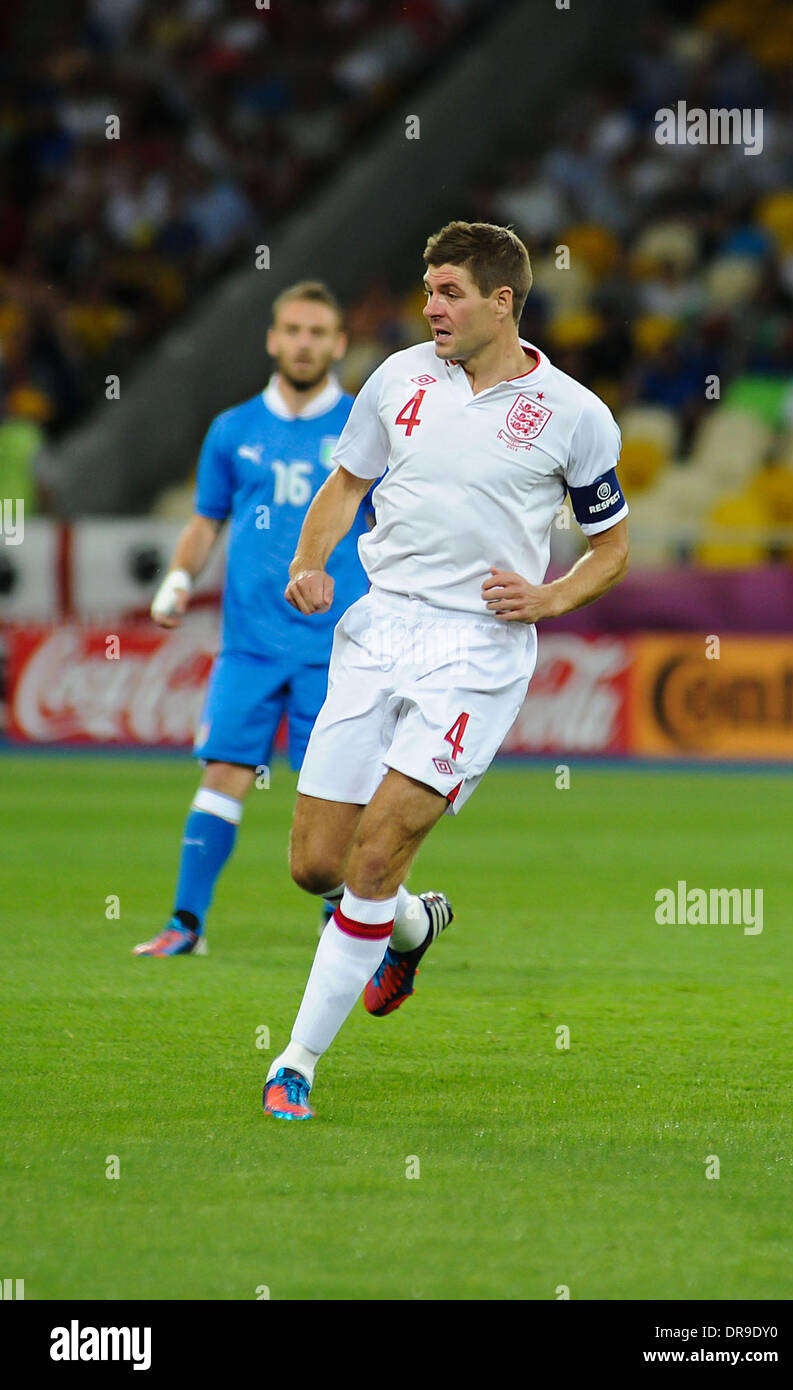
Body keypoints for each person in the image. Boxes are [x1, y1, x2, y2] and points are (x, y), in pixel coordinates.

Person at [261, 222, 629, 1120]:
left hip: (476, 651)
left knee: (377, 854)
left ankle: (295, 1064)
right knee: (317, 866)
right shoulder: (397, 379)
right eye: (428, 290)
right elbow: (347, 485)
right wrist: (311, 561)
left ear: (503, 302)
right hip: (380, 628)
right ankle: (414, 927)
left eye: (451, 292)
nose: (432, 307)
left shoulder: (575, 414)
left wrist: (548, 599)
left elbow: (612, 548)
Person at [134, 282, 375, 955]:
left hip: (338, 650)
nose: (304, 342)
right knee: (222, 775)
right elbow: (206, 520)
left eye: (318, 332)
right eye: (293, 330)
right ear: (273, 339)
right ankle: (186, 924)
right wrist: (180, 578)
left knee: (337, 795)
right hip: (249, 646)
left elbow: (395, 527)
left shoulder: (366, 428)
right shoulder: (233, 429)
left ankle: (344, 928)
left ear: (338, 344)